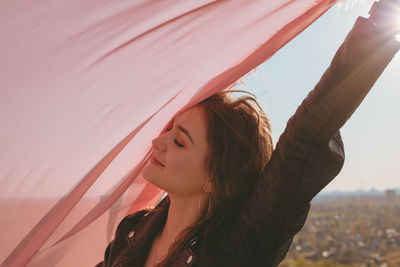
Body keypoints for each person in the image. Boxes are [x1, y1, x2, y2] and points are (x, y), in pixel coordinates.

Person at [96, 1, 400, 266]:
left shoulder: (237, 249)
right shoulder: (133, 233)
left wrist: (383, 19)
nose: (157, 143)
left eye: (178, 141)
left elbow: (304, 138)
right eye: (168, 130)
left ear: (213, 177)